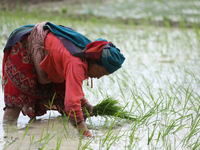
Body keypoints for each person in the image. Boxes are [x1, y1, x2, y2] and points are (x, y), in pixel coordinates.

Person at [2, 22, 125, 137]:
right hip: (23, 48)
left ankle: (32, 133)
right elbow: (72, 104)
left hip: (50, 58)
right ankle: (8, 137)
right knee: (16, 101)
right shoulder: (77, 62)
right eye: (101, 72)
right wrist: (86, 136)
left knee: (62, 96)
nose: (98, 77)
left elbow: (73, 87)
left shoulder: (86, 54)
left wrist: (84, 103)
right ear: (93, 61)